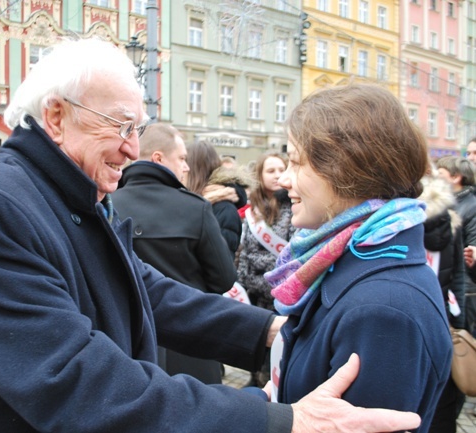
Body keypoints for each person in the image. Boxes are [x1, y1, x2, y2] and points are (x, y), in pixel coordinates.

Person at [0, 38, 422, 433]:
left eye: (138, 129)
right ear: (56, 115)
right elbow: (76, 384)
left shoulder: (67, 195)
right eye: (120, 125)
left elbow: (147, 292)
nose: (132, 149)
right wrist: (274, 420)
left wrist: (267, 332)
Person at [262, 84, 451, 432]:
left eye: (296, 162)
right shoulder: (343, 264)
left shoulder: (383, 311)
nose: (284, 180)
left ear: (345, 170)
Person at [111, 122, 236, 384]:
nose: (187, 166)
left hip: (128, 344)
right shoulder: (196, 208)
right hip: (193, 341)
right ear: (158, 158)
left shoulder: (109, 207)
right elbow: (224, 279)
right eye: (181, 158)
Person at [237, 152, 295, 388]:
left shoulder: (294, 207)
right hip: (254, 296)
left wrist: (261, 268)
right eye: (270, 171)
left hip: (282, 297)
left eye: (281, 170)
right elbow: (244, 252)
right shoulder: (252, 211)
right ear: (260, 176)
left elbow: (291, 257)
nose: (277, 176)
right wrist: (241, 285)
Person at [419, 173, 466, 433]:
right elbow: (457, 276)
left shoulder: (401, 224)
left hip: (414, 321)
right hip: (445, 320)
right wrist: (460, 324)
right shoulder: (451, 221)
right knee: (443, 398)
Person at [186, 141, 252, 259]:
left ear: (193, 169)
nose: (182, 168)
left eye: (183, 161)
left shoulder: (224, 208)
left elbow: (221, 260)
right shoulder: (193, 201)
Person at [436, 156, 476, 337]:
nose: (436, 178)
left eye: (440, 173)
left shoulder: (470, 207)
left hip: (466, 292)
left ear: (455, 177)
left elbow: (468, 253)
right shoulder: (444, 206)